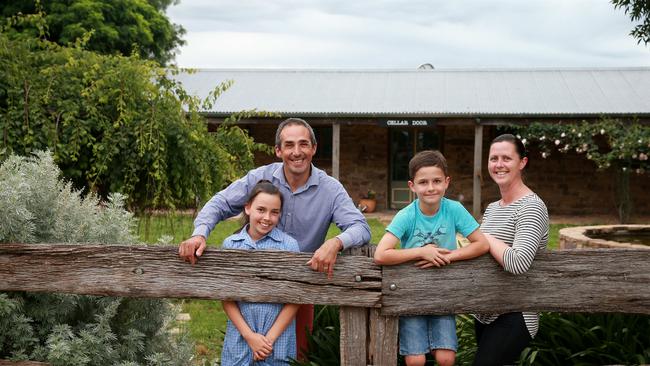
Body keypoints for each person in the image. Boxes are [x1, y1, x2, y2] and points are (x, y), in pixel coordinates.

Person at [178, 117, 371, 358]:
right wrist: (199, 234)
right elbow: (221, 202)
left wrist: (336, 242)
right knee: (243, 352)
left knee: (292, 356)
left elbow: (361, 227)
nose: (297, 152)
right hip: (249, 288)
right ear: (278, 150)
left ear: (314, 148)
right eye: (289, 145)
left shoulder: (330, 189)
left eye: (303, 144)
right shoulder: (261, 178)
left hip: (297, 289)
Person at [374, 150, 489, 366]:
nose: (430, 188)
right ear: (412, 186)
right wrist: (421, 251)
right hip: (412, 294)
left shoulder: (454, 210)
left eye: (437, 181)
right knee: (415, 360)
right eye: (423, 182)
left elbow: (482, 244)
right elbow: (381, 254)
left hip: (443, 293)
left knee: (446, 359)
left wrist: (451, 255)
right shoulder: (407, 215)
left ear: (446, 182)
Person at [473, 134, 549, 366]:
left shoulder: (532, 207)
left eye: (507, 158)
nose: (499, 164)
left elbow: (518, 262)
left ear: (522, 163)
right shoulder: (493, 208)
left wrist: (483, 236)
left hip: (516, 314)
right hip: (485, 313)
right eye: (493, 158)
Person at [221, 180, 300, 365]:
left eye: (274, 212)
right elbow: (226, 298)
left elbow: (295, 298)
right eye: (261, 210)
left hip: (277, 340)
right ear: (248, 208)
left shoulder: (288, 246)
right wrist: (250, 337)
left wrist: (268, 341)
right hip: (241, 338)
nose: (267, 217)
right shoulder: (231, 245)